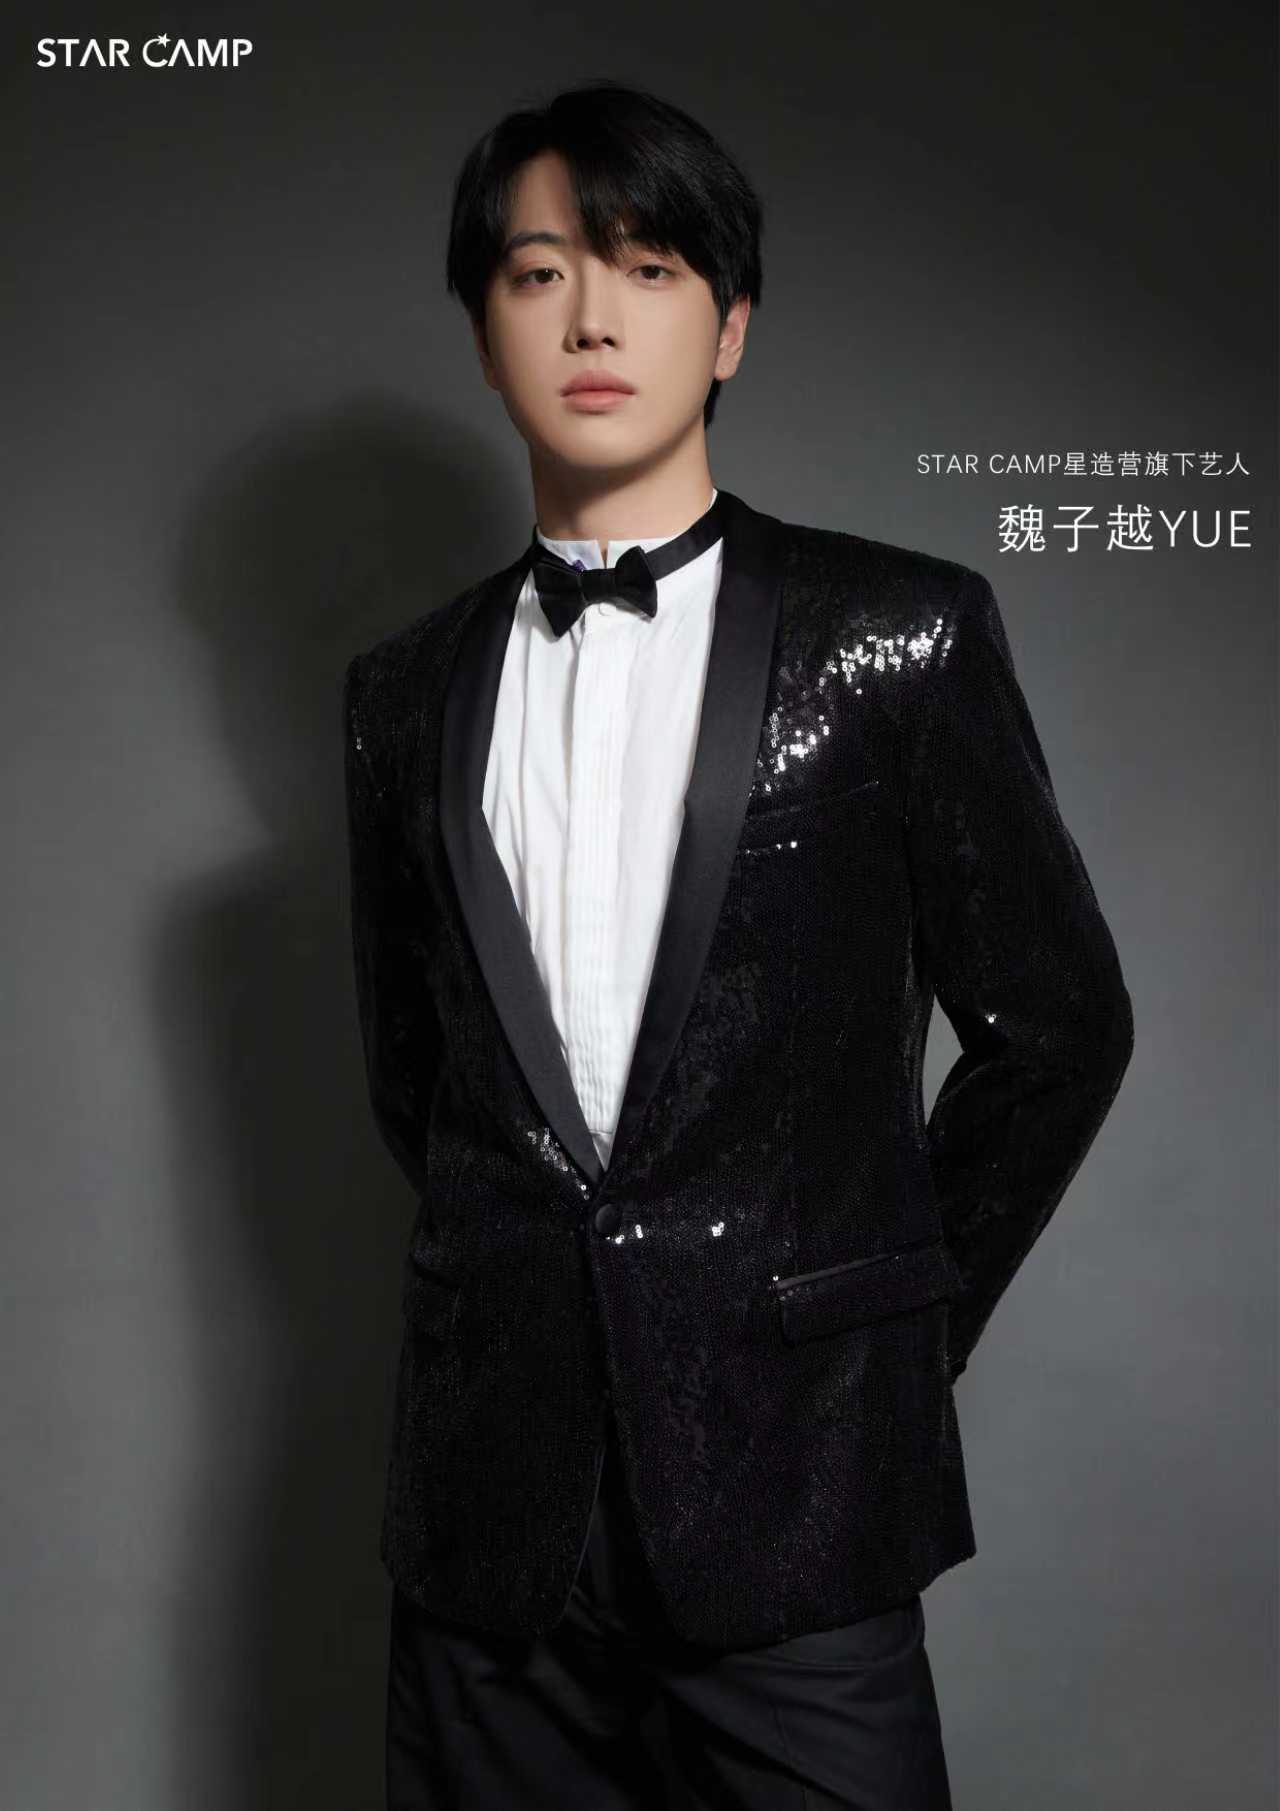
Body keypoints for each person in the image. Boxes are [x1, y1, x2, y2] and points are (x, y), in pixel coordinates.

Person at [342, 79, 1135, 1810]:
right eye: (541, 273)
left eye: (648, 267)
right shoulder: (399, 697)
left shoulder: (899, 635)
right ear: (483, 329)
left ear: (731, 327)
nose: (595, 317)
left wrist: (879, 1335)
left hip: (799, 1484)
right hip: (493, 1515)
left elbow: (1061, 1030)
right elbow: (423, 1081)